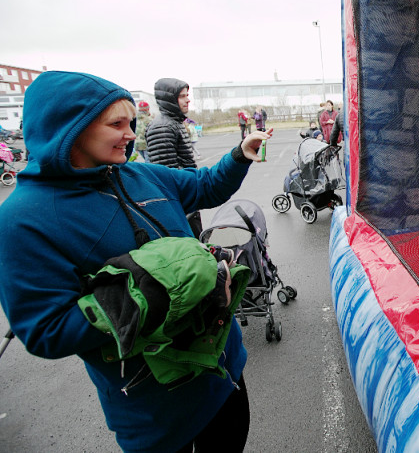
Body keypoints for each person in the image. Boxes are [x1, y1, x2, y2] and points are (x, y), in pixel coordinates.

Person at [0, 71, 271, 452]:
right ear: (71, 129)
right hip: (155, 407)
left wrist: (240, 154)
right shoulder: (22, 220)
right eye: (117, 124)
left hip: (223, 369)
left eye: (132, 123)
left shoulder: (140, 174)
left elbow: (204, 186)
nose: (131, 134)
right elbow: (45, 329)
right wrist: (155, 294)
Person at [146, 78, 201, 236]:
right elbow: (166, 175)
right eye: (182, 96)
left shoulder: (174, 122)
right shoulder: (162, 127)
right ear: (170, 99)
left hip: (187, 199)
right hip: (180, 204)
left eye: (187, 95)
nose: (188, 99)